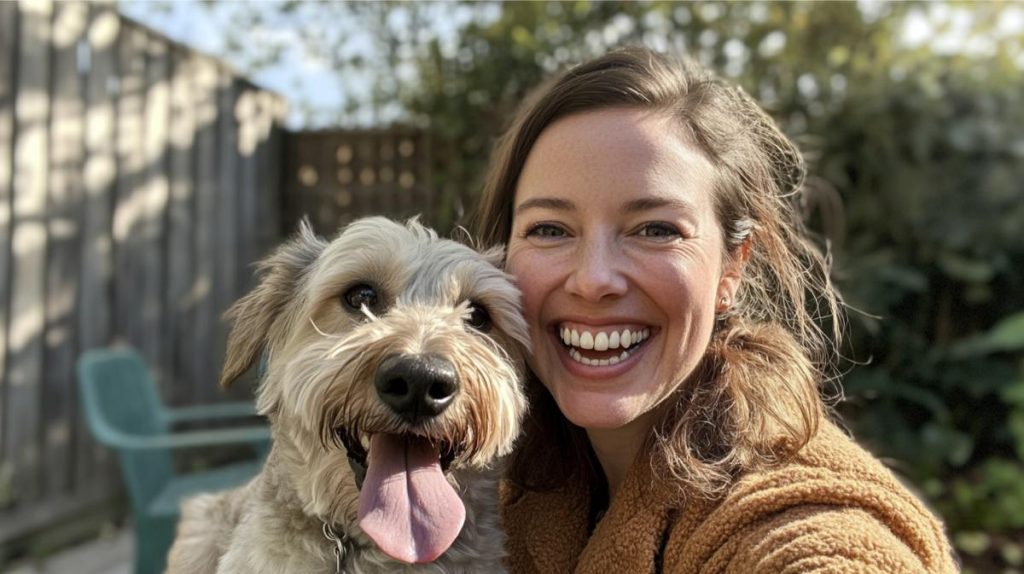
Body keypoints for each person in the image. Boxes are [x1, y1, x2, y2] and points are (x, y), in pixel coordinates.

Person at [471, 46, 957, 573]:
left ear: (732, 268)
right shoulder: (492, 478)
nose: (593, 279)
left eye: (656, 229)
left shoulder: (802, 520)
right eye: (549, 229)